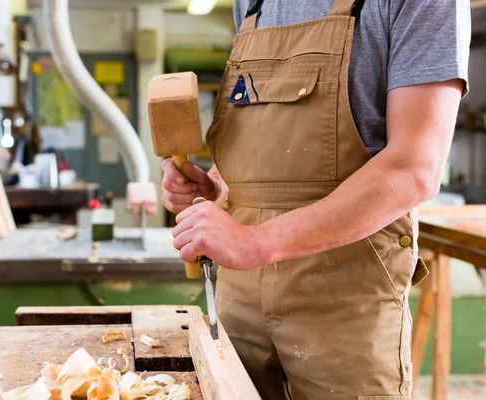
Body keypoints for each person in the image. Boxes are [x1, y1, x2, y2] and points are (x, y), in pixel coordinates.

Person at [161, 0, 470, 399]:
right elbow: (269, 148)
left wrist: (255, 242)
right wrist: (217, 188)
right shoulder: (252, 3)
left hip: (344, 308)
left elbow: (414, 169)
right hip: (239, 304)